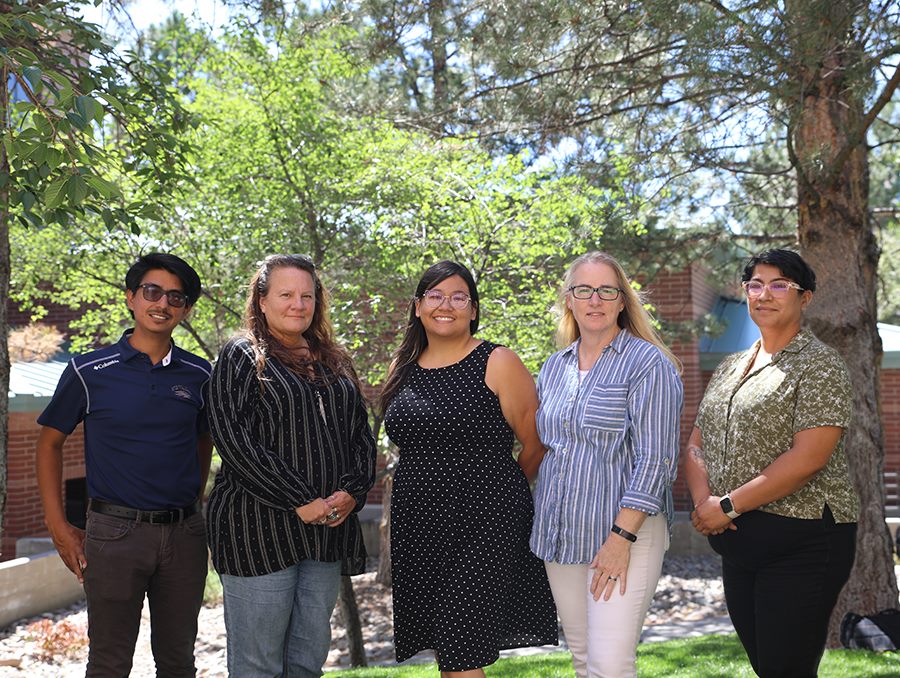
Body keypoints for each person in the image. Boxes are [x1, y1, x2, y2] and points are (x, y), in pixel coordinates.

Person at [36, 253, 212, 677]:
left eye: (175, 296)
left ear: (186, 310)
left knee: (178, 662)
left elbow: (203, 440)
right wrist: (59, 527)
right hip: (114, 536)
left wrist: (193, 500)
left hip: (185, 535)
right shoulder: (88, 370)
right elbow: (48, 445)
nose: (162, 303)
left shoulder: (201, 374)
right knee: (109, 663)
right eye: (152, 292)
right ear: (131, 298)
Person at [685, 248, 858, 678]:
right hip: (738, 544)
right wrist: (705, 504)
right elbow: (697, 440)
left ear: (806, 298)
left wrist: (725, 506)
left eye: (780, 284)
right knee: (767, 667)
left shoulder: (820, 365)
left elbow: (808, 458)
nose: (765, 294)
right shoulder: (729, 367)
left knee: (787, 670)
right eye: (756, 284)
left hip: (804, 543)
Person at [382, 260, 558, 677]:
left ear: (474, 309)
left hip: (484, 522)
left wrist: (497, 493)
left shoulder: (497, 361)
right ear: (418, 307)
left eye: (459, 296)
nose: (447, 305)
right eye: (436, 296)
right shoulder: (402, 368)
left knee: (460, 649)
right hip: (420, 524)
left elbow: (535, 444)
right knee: (449, 648)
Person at [205, 254, 376, 677]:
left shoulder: (334, 359)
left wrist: (352, 493)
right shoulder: (242, 356)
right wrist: (299, 498)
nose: (298, 304)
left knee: (306, 660)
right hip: (259, 532)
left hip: (325, 534)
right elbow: (232, 438)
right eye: (285, 294)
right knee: (257, 663)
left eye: (307, 295)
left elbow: (361, 434)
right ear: (261, 301)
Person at [530, 251, 683, 678]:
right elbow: (547, 447)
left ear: (621, 301)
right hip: (562, 535)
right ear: (569, 300)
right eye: (583, 290)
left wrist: (620, 539)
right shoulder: (553, 368)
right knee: (583, 660)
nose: (594, 300)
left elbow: (656, 460)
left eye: (606, 291)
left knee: (610, 665)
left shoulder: (648, 364)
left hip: (625, 535)